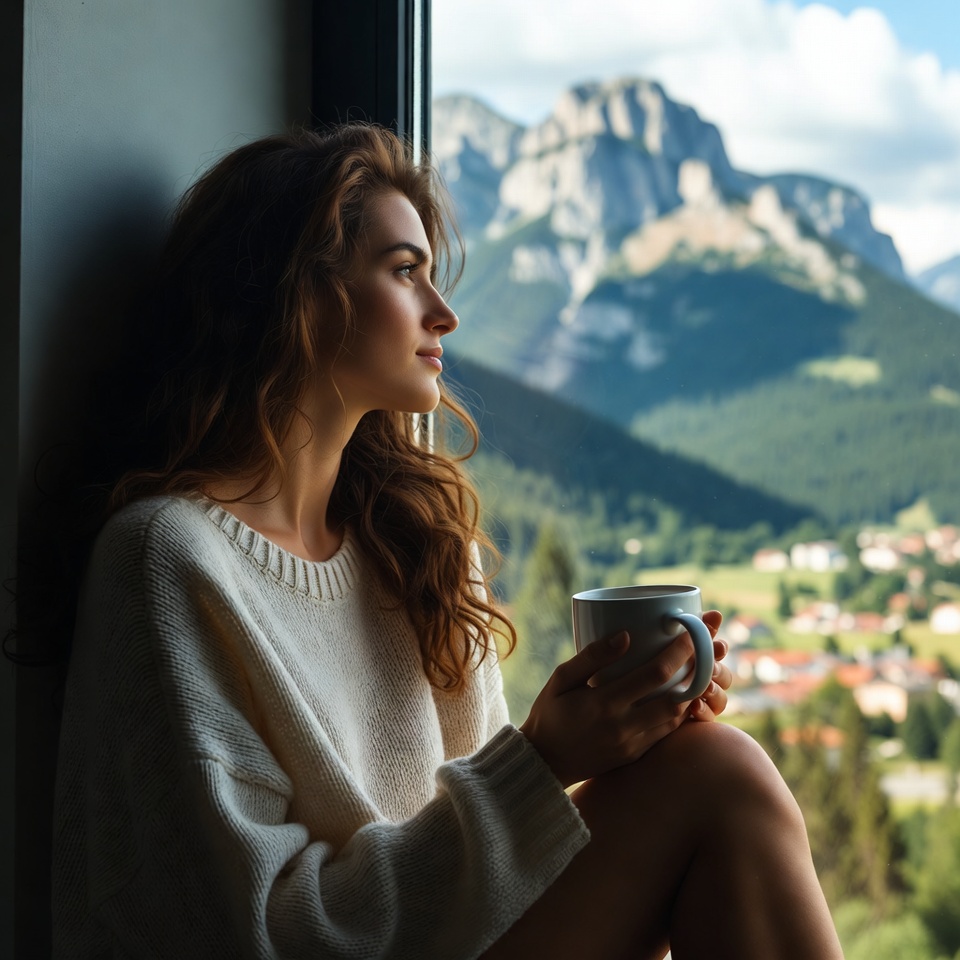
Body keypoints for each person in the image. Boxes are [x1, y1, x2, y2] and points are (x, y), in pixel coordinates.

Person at [52, 124, 843, 959]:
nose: (446, 312)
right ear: (294, 293)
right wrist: (540, 761)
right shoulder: (168, 560)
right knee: (718, 778)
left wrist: (613, 740)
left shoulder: (417, 548)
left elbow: (487, 869)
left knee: (702, 762)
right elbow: (257, 931)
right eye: (404, 271)